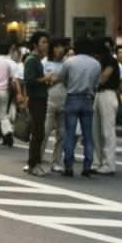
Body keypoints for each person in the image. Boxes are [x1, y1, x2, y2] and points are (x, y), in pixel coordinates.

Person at [59, 39, 102, 177]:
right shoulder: (96, 64)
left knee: (70, 133)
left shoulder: (69, 62)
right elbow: (96, 83)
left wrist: (70, 87)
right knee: (88, 134)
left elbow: (63, 78)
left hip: (72, 97)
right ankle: (87, 166)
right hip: (88, 99)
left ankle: (68, 166)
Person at [37, 37, 69, 174]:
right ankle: (36, 160)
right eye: (56, 47)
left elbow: (70, 81)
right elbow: (42, 81)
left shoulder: (67, 64)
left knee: (62, 134)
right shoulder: (44, 62)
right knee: (44, 131)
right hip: (48, 100)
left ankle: (56, 162)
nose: (59, 50)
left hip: (65, 100)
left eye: (62, 47)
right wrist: (54, 79)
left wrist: (55, 78)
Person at [91, 40, 121, 175]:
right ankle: (98, 162)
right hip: (98, 94)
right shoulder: (99, 61)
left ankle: (109, 164)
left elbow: (103, 78)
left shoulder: (111, 61)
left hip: (108, 94)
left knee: (107, 131)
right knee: (96, 131)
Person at [22, 32, 50, 175]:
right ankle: (34, 163)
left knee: (39, 132)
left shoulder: (37, 60)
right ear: (35, 44)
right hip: (36, 99)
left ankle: (33, 163)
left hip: (40, 98)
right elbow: (29, 80)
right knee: (38, 132)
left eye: (46, 42)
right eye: (43, 42)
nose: (46, 45)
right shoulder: (32, 60)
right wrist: (46, 79)